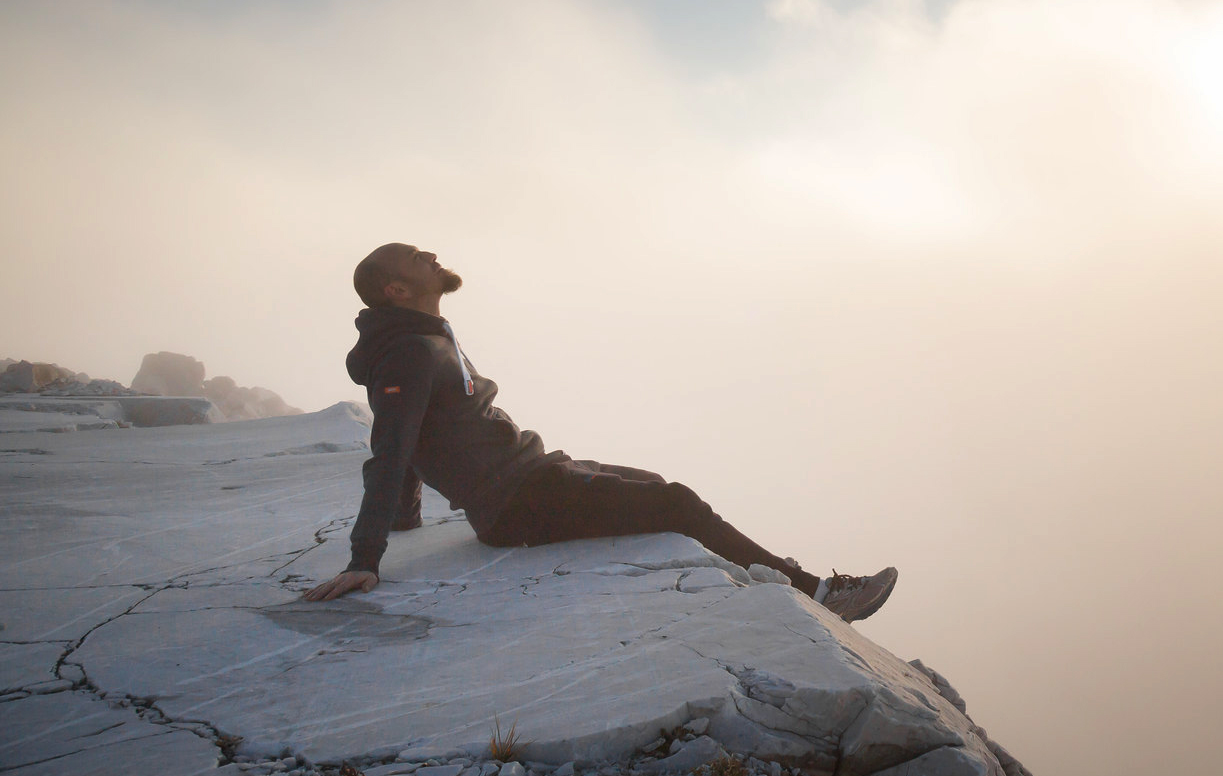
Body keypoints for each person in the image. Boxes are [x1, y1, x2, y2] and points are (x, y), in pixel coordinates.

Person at [300, 243, 897, 622]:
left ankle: (773, 567)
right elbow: (392, 446)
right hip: (517, 503)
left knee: (654, 483)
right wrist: (366, 556)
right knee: (676, 502)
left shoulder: (425, 335)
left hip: (532, 477)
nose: (431, 255)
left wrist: (407, 517)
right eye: (415, 258)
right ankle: (819, 593)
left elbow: (418, 436)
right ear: (396, 290)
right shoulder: (407, 351)